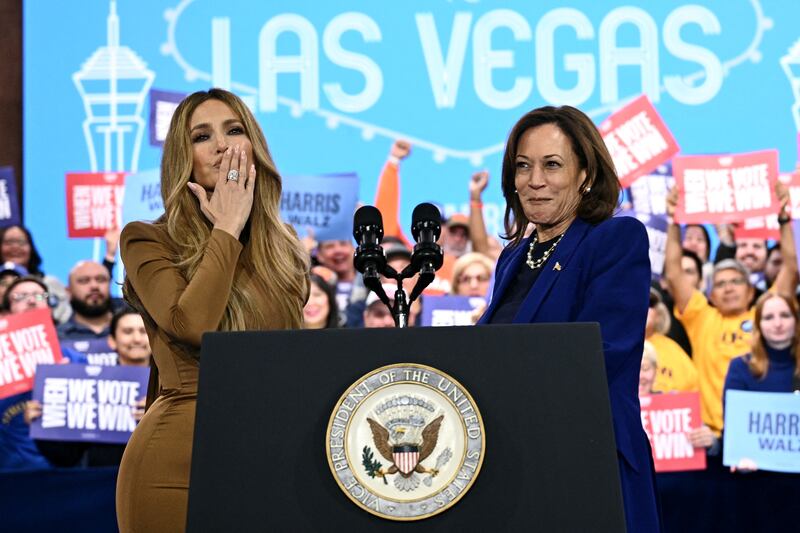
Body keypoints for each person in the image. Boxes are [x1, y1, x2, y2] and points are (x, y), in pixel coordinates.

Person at [116, 88, 309, 531]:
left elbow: (294, 364)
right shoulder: (147, 239)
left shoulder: (282, 250)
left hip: (268, 458)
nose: (222, 146)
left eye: (234, 130)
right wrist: (226, 226)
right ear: (185, 158)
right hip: (176, 465)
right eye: (202, 136)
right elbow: (194, 326)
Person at [477, 105, 660, 531]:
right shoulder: (513, 257)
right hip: (517, 462)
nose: (534, 180)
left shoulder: (615, 238)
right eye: (523, 166)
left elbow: (601, 352)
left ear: (586, 175)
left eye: (552, 165)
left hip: (588, 460)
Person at [664, 183, 797, 439]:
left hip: (760, 438)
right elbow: (673, 272)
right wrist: (672, 220)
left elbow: (790, 269)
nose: (728, 288)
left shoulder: (765, 315)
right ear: (711, 295)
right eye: (721, 284)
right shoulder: (701, 316)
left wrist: (784, 216)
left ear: (751, 291)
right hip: (711, 438)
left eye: (736, 281)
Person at [25, 307, 152, 467]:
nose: (137, 339)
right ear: (112, 341)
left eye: (144, 331)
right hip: (102, 481)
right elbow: (66, 457)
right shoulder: (89, 385)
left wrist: (156, 418)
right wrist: (40, 424)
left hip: (156, 477)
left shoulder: (172, 384)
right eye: (127, 331)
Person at [56, 260, 114, 341]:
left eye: (101, 279)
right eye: (84, 281)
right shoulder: (57, 337)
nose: (94, 286)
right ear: (69, 292)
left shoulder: (133, 327)